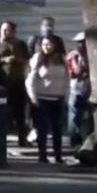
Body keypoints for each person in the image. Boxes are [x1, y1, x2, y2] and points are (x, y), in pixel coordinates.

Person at [26, 36, 69, 164]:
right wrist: (33, 97)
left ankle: (58, 155)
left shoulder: (62, 59)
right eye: (44, 44)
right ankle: (42, 155)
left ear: (55, 45)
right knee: (42, 129)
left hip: (58, 98)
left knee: (57, 129)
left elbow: (67, 78)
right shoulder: (38, 58)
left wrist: (66, 95)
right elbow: (30, 80)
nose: (46, 47)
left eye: (49, 44)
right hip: (42, 99)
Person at [0, 21, 30, 146]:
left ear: (13, 31)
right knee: (2, 113)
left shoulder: (20, 44)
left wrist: (16, 60)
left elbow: (27, 60)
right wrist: (4, 60)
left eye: (7, 30)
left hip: (17, 82)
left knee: (19, 113)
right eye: (2, 29)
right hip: (1, 83)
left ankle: (22, 139)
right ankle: (1, 139)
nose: (4, 32)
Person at [66, 31, 91, 148]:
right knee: (75, 115)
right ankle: (75, 141)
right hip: (77, 88)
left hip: (91, 88)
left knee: (91, 116)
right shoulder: (73, 56)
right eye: (79, 43)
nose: (81, 45)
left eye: (83, 43)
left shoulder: (94, 53)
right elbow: (72, 73)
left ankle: (91, 139)